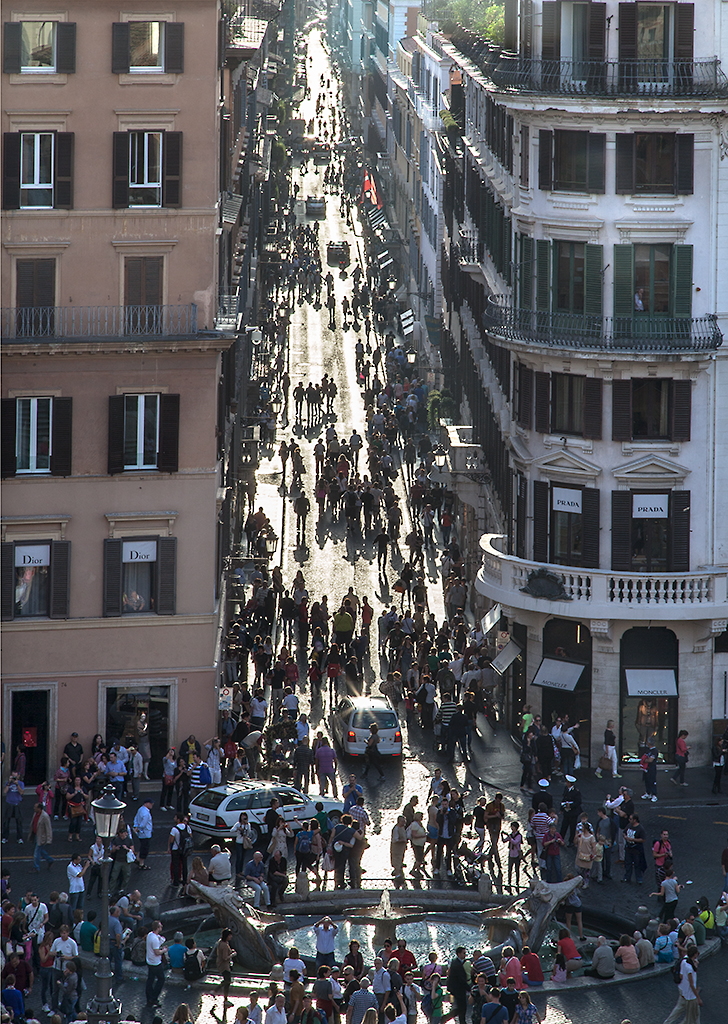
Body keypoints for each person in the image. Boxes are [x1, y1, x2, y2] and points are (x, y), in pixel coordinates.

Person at [663, 946, 701, 1024]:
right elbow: (691, 983)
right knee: (693, 1015)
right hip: (690, 993)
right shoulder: (689, 967)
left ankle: (667, 1022)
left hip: (683, 990)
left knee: (680, 1008)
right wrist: (698, 997)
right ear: (695, 954)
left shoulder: (684, 960)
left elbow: (681, 976)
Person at [145, 919, 167, 1007]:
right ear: (158, 928)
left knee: (150, 980)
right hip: (155, 963)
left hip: (149, 961)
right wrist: (164, 950)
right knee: (161, 979)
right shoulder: (155, 939)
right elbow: (157, 952)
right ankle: (154, 997)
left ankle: (149, 997)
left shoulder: (150, 935)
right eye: (161, 926)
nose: (162, 927)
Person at [447, 947, 469, 1024]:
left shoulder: (455, 962)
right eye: (463, 953)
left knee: (459, 1007)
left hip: (455, 989)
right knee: (462, 1007)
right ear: (458, 954)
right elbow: (461, 979)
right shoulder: (458, 965)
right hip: (459, 990)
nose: (465, 955)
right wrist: (469, 988)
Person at [2, 773, 25, 844]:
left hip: (17, 803)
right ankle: (5, 837)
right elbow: (5, 791)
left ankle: (19, 837)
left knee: (19, 822)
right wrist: (9, 783)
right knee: (6, 822)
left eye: (15, 776)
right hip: (9, 804)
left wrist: (17, 784)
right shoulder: (8, 783)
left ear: (18, 776)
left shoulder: (21, 783)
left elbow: (21, 792)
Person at [132, 798, 154, 869]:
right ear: (146, 803)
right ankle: (141, 863)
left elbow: (136, 818)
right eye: (151, 803)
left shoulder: (140, 809)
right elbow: (143, 824)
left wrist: (136, 826)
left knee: (142, 846)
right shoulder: (146, 813)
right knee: (145, 848)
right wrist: (138, 828)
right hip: (146, 833)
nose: (152, 805)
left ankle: (138, 858)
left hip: (141, 833)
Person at [217, 928, 234, 1007]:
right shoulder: (224, 945)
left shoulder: (222, 942)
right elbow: (225, 957)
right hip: (224, 965)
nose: (231, 936)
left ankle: (226, 999)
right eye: (230, 935)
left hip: (223, 964)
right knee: (227, 980)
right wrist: (233, 955)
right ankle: (215, 990)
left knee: (227, 982)